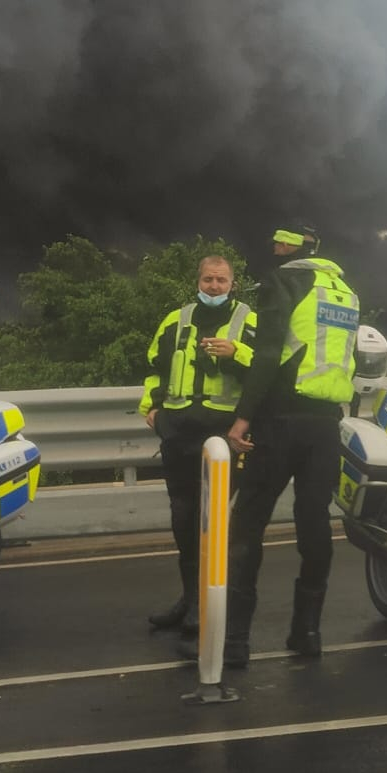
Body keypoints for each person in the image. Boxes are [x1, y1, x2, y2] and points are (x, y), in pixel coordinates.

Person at [212, 221, 361, 666]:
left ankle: (235, 642)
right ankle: (307, 633)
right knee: (314, 524)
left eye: (282, 241)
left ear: (298, 247)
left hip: (281, 421)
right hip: (325, 426)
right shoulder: (345, 293)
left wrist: (243, 418)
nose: (274, 246)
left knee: (248, 521)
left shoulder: (285, 280)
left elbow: (268, 354)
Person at [139, 253, 254, 632]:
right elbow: (156, 367)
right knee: (183, 518)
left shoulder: (247, 320)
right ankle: (189, 599)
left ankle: (208, 604)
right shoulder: (177, 319)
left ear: (232, 283)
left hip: (223, 439)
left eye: (221, 281)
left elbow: (269, 369)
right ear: (198, 282)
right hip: (179, 436)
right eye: (208, 280)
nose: (215, 287)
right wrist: (153, 408)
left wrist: (237, 352)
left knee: (213, 522)